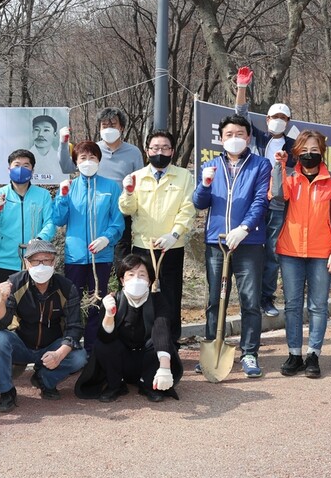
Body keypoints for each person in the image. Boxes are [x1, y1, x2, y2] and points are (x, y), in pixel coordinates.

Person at [192, 114, 271, 378]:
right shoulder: (211, 165)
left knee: (249, 300)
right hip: (217, 242)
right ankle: (213, 345)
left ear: (248, 137)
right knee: (215, 300)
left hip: (249, 242)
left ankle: (249, 352)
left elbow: (261, 201)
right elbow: (199, 203)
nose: (234, 139)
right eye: (229, 134)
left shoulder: (260, 165)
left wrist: (244, 228)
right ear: (221, 138)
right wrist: (204, 184)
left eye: (240, 134)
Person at [270, 130, 331, 378]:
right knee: (292, 306)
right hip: (290, 251)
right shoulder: (292, 179)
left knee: (318, 305)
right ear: (296, 153)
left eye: (314, 150)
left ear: (322, 152)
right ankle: (294, 354)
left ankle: (313, 354)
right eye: (303, 151)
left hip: (321, 252)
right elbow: (276, 194)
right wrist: (279, 165)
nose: (309, 155)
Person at [0, 239, 86, 413]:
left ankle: (44, 379)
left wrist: (59, 354)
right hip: (22, 344)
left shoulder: (66, 287)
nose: (41, 265)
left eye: (46, 260)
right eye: (36, 261)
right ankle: (6, 391)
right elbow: (1, 323)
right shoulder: (15, 283)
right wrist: (0, 300)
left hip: (51, 346)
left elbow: (74, 327)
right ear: (27, 263)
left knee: (80, 356)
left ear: (54, 262)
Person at [118, 130, 196, 343]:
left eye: (164, 148)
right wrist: (128, 192)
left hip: (171, 246)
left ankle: (170, 342)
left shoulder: (183, 176)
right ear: (147, 150)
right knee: (140, 293)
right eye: (155, 148)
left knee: (170, 295)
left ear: (172, 151)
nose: (159, 152)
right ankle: (142, 339)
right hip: (143, 246)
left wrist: (174, 233)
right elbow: (127, 209)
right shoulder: (137, 177)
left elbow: (188, 209)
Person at [235, 66, 297, 317]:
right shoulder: (258, 138)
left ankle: (266, 298)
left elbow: (299, 175)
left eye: (283, 117)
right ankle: (247, 299)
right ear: (267, 120)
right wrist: (241, 87)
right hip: (254, 202)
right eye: (274, 116)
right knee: (250, 251)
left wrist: (286, 164)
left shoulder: (295, 146)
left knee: (272, 252)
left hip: (279, 206)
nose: (278, 120)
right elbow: (240, 115)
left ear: (288, 122)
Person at [52, 141, 124, 353]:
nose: (88, 162)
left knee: (97, 302)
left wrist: (106, 238)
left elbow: (118, 222)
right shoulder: (69, 187)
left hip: (101, 257)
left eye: (92, 157)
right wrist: (63, 197)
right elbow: (58, 219)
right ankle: (71, 345)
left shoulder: (111, 187)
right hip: (75, 256)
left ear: (99, 160)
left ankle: (94, 347)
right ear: (75, 162)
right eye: (83, 158)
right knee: (72, 303)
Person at [58, 108, 144, 264]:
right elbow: (67, 167)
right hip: (92, 215)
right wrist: (63, 144)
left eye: (113, 124)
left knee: (122, 259)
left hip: (121, 215)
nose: (109, 128)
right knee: (92, 259)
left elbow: (140, 183)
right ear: (99, 128)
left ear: (122, 127)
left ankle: (121, 287)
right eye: (105, 125)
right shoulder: (93, 151)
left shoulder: (133, 152)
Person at [95, 254, 183, 403]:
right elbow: (105, 338)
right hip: (122, 360)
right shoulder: (113, 299)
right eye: (131, 274)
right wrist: (109, 315)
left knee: (157, 340)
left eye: (142, 275)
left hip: (148, 360)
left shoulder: (158, 300)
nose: (136, 279)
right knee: (104, 344)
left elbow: (161, 330)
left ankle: (148, 384)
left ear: (149, 281)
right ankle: (115, 385)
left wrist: (165, 368)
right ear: (122, 280)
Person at [0, 149, 56, 308]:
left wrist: (39, 241)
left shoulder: (42, 195)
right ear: (9, 169)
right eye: (17, 165)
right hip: (5, 262)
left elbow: (50, 222)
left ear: (32, 170)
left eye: (26, 165)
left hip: (35, 263)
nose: (21, 169)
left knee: (31, 311)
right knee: (0, 309)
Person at [28, 114, 65, 181]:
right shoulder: (25, 157)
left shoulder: (60, 159)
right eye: (36, 129)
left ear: (55, 134)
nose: (40, 134)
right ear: (32, 132)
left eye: (46, 130)